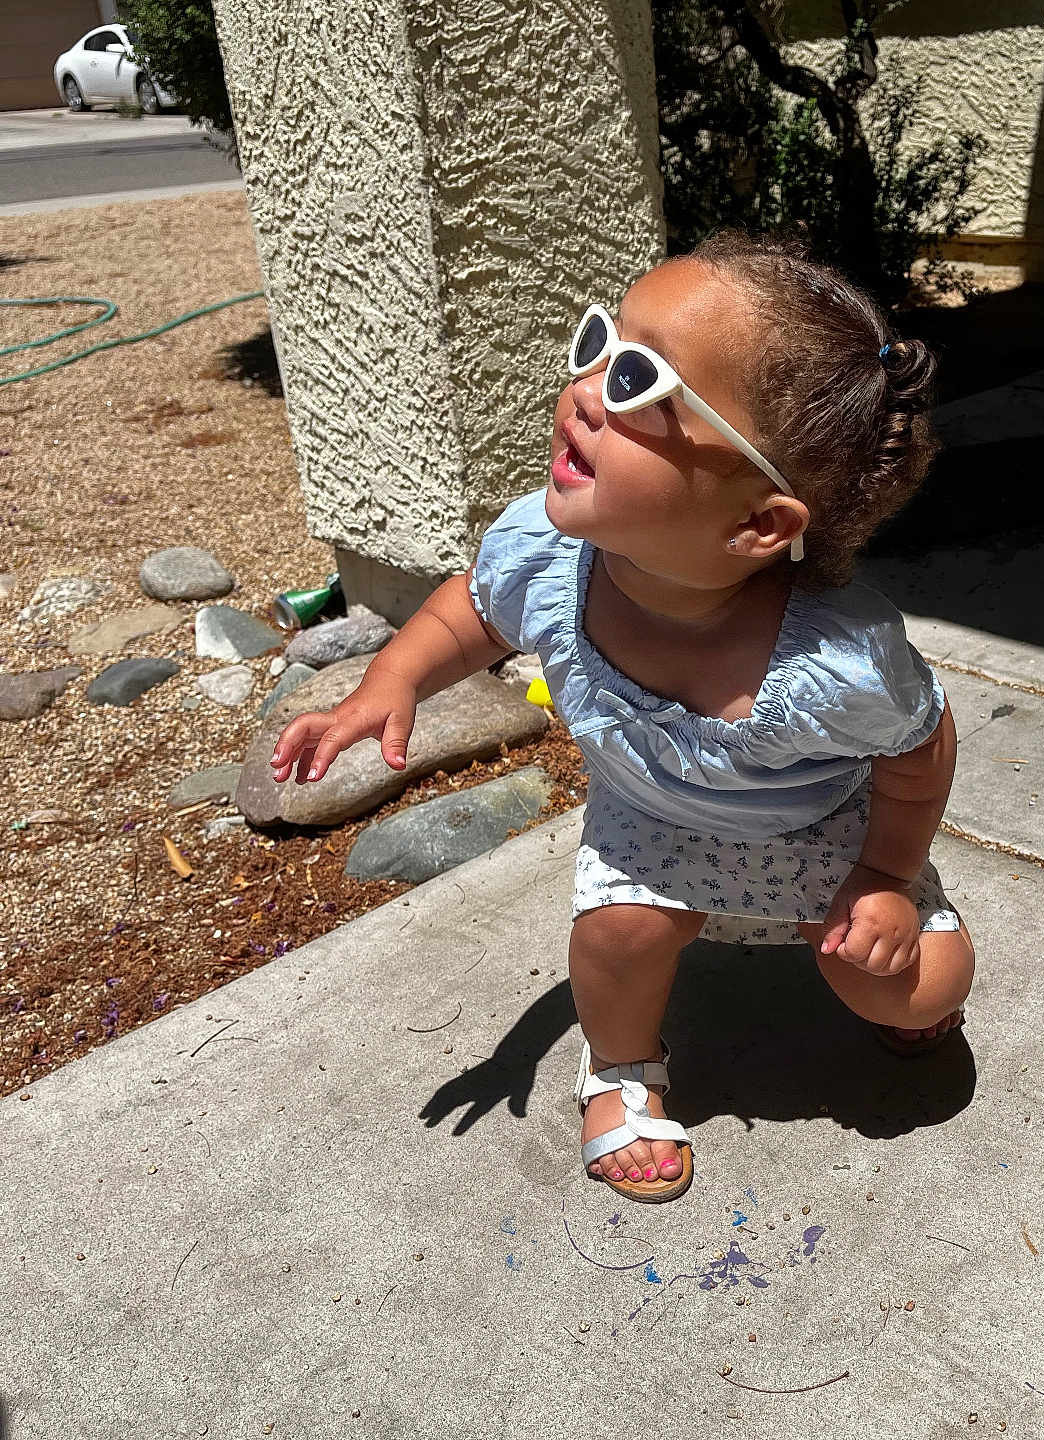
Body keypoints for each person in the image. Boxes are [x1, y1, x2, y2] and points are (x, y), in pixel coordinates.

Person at [269, 230, 976, 1205]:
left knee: (919, 982)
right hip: (653, 822)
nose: (591, 388)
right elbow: (472, 608)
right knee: (615, 941)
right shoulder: (545, 558)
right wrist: (392, 679)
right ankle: (622, 1074)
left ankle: (905, 974)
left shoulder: (839, 660)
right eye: (599, 344)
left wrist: (889, 875)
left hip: (820, 831)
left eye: (642, 380)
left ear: (757, 524)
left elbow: (918, 747)